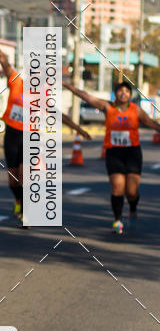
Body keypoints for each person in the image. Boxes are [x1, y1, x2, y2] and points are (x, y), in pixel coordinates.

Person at [0, 25, 91, 224]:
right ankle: (18, 200)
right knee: (13, 178)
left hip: (30, 137)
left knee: (25, 174)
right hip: (12, 134)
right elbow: (2, 60)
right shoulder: (16, 82)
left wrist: (78, 129)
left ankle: (26, 212)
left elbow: (58, 115)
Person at [62, 78, 160, 233]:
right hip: (114, 153)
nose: (123, 93)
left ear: (130, 94)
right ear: (115, 94)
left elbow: (150, 123)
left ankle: (133, 209)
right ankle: (118, 220)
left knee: (132, 192)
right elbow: (86, 96)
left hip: (132, 153)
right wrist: (67, 85)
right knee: (117, 188)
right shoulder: (107, 107)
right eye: (120, 91)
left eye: (126, 91)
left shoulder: (136, 110)